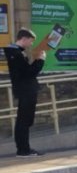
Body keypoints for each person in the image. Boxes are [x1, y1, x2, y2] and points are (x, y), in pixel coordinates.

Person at [4, 28, 46, 157]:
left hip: (25, 90)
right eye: (31, 41)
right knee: (24, 120)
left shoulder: (16, 53)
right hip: (25, 90)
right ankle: (23, 150)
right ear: (24, 39)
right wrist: (40, 60)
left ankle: (24, 149)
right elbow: (28, 73)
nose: (31, 44)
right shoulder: (16, 53)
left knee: (25, 120)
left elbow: (25, 71)